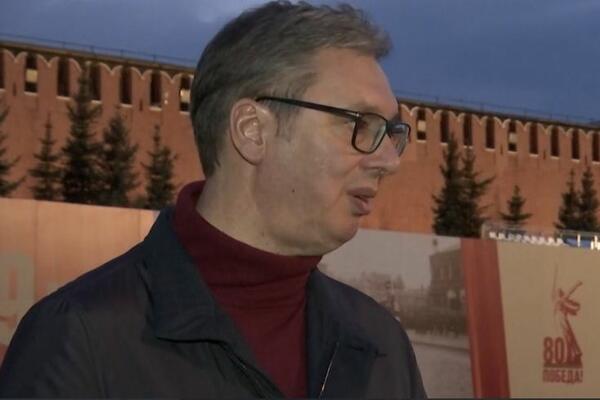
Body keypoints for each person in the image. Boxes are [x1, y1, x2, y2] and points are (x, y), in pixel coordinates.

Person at [0, 1, 426, 398]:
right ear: (252, 131)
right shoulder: (79, 340)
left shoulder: (380, 344)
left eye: (392, 134)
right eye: (361, 124)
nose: (389, 161)